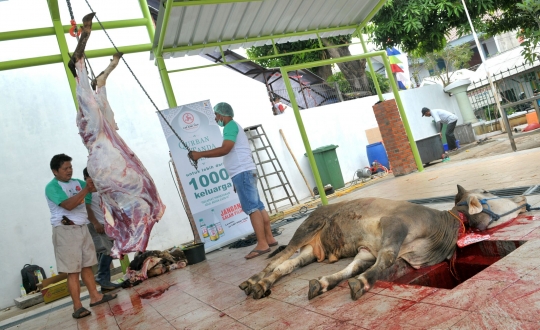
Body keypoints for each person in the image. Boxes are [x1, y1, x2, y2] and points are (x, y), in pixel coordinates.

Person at [189, 102, 278, 259]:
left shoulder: (230, 126)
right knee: (258, 206)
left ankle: (262, 244)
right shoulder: (234, 126)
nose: (216, 119)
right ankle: (269, 238)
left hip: (243, 171)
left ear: (223, 114)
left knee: (251, 208)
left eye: (216, 115)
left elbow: (226, 149)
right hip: (245, 171)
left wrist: (200, 154)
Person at [45, 154, 116, 319]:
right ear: (55, 171)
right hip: (65, 231)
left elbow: (96, 190)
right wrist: (86, 189)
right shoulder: (52, 187)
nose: (69, 171)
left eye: (70, 167)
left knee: (87, 266)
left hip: (82, 228)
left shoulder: (78, 183)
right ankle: (77, 306)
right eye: (65, 168)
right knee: (73, 271)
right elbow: (68, 205)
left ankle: (95, 296)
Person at [83, 167, 122, 291]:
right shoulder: (88, 190)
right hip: (97, 225)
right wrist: (95, 223)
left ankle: (105, 282)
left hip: (104, 223)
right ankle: (102, 277)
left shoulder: (97, 189)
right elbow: (87, 208)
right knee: (108, 250)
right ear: (87, 178)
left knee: (105, 250)